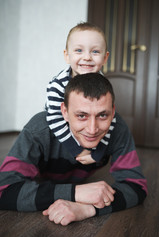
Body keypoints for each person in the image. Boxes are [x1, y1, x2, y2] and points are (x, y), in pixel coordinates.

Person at [0, 73, 147, 226]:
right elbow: (3, 190)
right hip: (38, 182)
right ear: (64, 112)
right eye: (82, 116)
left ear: (113, 111)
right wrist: (76, 192)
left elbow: (137, 186)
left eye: (103, 115)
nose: (92, 129)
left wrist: (88, 209)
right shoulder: (38, 130)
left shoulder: (118, 129)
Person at [46, 22, 115, 164]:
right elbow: (54, 119)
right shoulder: (57, 85)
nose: (87, 57)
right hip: (61, 129)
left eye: (95, 52)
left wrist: (99, 152)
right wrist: (77, 150)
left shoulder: (104, 86)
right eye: (79, 51)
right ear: (67, 55)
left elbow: (111, 120)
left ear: (105, 58)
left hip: (89, 136)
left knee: (115, 119)